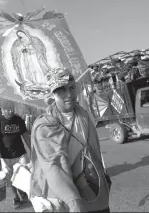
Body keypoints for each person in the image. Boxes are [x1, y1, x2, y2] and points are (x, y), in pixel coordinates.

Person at [30, 67, 111, 212]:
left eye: (72, 88)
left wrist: (102, 175)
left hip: (88, 181)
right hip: (62, 192)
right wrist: (73, 202)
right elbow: (53, 167)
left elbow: (93, 148)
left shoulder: (83, 115)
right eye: (61, 90)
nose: (69, 94)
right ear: (52, 94)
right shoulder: (45, 126)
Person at [0, 105, 31, 209]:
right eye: (8, 109)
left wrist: (34, 151)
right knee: (10, 179)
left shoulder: (19, 120)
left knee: (25, 174)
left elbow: (26, 136)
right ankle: (16, 198)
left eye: (12, 108)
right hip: (5, 157)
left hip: (21, 154)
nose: (11, 111)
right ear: (2, 110)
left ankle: (23, 192)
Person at [11, 29, 52, 98]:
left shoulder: (34, 39)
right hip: (25, 57)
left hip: (34, 57)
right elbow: (16, 51)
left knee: (36, 68)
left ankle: (40, 81)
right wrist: (22, 48)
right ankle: (30, 82)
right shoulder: (18, 42)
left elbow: (39, 47)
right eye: (19, 35)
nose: (21, 35)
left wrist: (30, 47)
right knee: (27, 70)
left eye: (21, 33)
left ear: (25, 33)